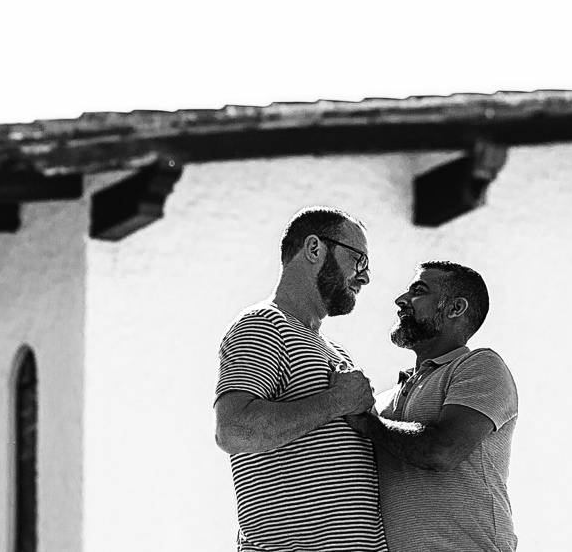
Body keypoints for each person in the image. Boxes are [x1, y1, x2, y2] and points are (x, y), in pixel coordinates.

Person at [214, 207, 387, 552]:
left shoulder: (333, 349)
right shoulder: (263, 324)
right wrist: (338, 401)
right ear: (314, 249)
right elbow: (233, 430)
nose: (365, 277)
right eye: (359, 261)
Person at [349, 261, 518, 552]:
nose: (401, 300)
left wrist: (366, 421)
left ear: (455, 308)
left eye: (419, 290)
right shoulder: (383, 400)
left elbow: (442, 451)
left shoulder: (479, 366)